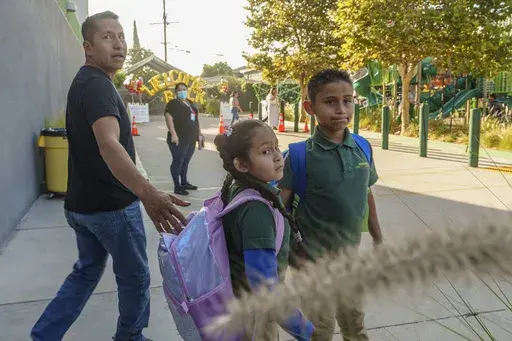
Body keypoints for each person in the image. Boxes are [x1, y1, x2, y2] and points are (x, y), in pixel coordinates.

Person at [30, 11, 190, 341]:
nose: (118, 43)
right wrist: (147, 193)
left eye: (121, 36)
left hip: (82, 207)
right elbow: (108, 145)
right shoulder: (99, 88)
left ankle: (44, 334)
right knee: (135, 278)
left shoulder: (86, 82)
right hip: (111, 209)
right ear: (88, 47)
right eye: (107, 37)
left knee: (86, 271)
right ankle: (130, 337)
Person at [279, 69, 383, 341]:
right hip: (310, 263)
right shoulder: (299, 157)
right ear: (309, 107)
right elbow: (278, 210)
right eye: (330, 102)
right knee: (319, 332)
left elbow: (366, 192)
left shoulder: (362, 147)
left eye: (347, 101)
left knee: (355, 327)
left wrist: (378, 237)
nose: (341, 109)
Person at [214, 120, 316, 341]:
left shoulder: (240, 185)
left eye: (277, 147)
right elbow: (264, 287)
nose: (278, 156)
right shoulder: (256, 210)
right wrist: (305, 330)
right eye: (266, 151)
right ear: (242, 164)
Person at [164, 83, 203, 195]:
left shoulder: (190, 103)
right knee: (178, 161)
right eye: (179, 90)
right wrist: (173, 134)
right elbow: (168, 118)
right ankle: (177, 186)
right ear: (175, 92)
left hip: (190, 138)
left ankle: (184, 182)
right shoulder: (173, 103)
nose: (182, 91)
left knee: (185, 161)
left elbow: (196, 120)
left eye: (184, 89)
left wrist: (199, 133)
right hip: (178, 138)